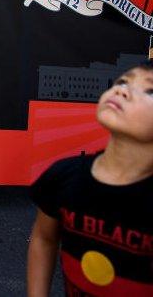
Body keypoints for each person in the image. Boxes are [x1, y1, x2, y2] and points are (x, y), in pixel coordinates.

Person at [27, 61, 153, 296]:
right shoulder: (65, 176)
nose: (122, 89)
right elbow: (44, 238)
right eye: (124, 80)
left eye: (149, 91)